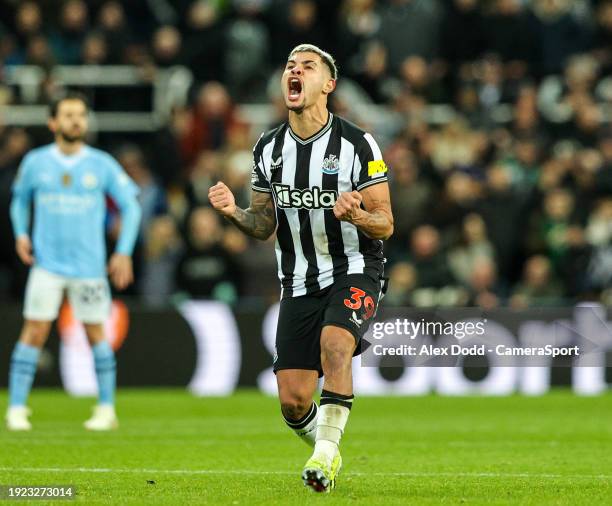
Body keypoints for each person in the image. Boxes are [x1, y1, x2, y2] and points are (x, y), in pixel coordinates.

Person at [209, 44, 393, 493]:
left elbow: (385, 223)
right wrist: (234, 212)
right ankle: (324, 447)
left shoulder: (358, 143)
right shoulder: (267, 148)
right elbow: (264, 223)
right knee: (293, 402)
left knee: (336, 345)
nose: (295, 71)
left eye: (307, 67)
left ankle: (325, 457)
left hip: (355, 267)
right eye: (290, 66)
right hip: (297, 280)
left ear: (327, 84)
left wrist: (356, 216)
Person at [6, 92, 141, 431]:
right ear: (53, 122)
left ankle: (106, 408)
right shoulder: (36, 162)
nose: (76, 120)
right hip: (47, 265)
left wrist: (123, 250)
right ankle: (17, 407)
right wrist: (21, 233)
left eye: (80, 114)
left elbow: (132, 206)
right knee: (34, 332)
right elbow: (18, 202)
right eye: (68, 115)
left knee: (96, 334)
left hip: (89, 267)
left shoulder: (101, 163)